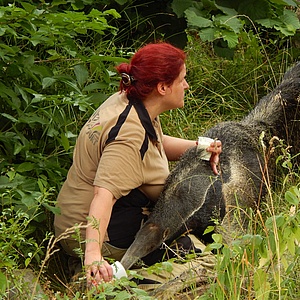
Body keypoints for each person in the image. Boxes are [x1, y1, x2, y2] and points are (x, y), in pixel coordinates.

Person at [54, 42, 222, 286]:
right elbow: (103, 195)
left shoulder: (128, 101)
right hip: (93, 233)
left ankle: (90, 265)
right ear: (163, 87)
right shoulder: (129, 136)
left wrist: (199, 148)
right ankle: (111, 283)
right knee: (207, 260)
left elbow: (154, 143)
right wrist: (93, 255)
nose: (186, 85)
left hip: (71, 218)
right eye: (182, 79)